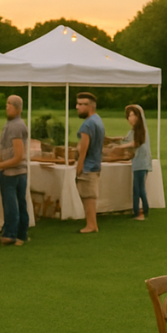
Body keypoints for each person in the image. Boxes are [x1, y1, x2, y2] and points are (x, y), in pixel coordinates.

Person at [0, 94, 29, 246]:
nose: (7, 106)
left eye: (10, 104)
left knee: (12, 204)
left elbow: (18, 155)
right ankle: (21, 233)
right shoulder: (13, 124)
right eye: (7, 103)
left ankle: (10, 234)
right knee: (19, 203)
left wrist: (0, 165)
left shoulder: (15, 126)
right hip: (17, 171)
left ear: (18, 108)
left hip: (12, 172)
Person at [75, 92, 105, 234]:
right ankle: (91, 223)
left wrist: (79, 167)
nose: (77, 107)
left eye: (81, 104)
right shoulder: (98, 120)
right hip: (96, 163)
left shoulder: (87, 125)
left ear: (90, 106)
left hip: (88, 165)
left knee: (88, 197)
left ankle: (91, 224)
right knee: (90, 196)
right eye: (77, 104)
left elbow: (83, 149)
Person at [121, 104, 152, 220]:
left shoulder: (140, 130)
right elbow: (126, 139)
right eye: (129, 116)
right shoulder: (134, 130)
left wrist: (121, 147)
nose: (130, 118)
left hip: (140, 163)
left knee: (138, 189)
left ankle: (139, 212)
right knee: (139, 188)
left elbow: (135, 143)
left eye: (132, 115)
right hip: (139, 162)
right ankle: (142, 210)